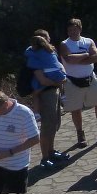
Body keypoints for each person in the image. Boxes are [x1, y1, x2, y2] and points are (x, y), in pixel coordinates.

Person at [58, 18, 97, 147]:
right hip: (72, 81)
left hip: (90, 78)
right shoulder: (64, 44)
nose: (72, 32)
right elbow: (68, 59)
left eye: (75, 29)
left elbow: (96, 57)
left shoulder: (88, 41)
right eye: (70, 30)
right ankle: (80, 134)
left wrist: (78, 59)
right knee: (76, 109)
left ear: (80, 29)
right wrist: (86, 55)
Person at [25, 29, 70, 169]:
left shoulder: (49, 54)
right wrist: (59, 82)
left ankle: (51, 152)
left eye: (46, 38)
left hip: (53, 92)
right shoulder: (35, 56)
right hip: (46, 93)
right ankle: (45, 158)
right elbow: (42, 80)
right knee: (47, 126)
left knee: (54, 123)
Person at [0, 90, 40, 194]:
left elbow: (35, 139)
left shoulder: (24, 113)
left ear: (6, 104)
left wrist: (9, 152)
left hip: (17, 167)